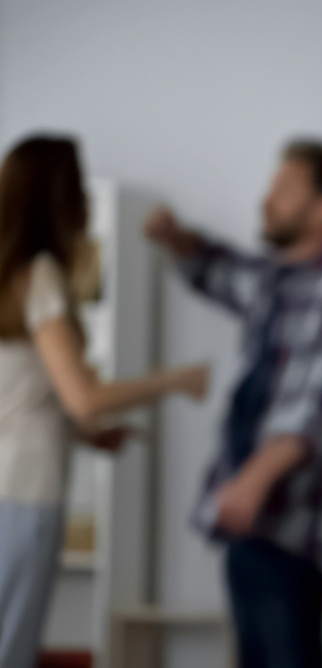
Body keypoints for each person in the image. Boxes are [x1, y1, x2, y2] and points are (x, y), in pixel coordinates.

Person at [145, 139, 322, 668]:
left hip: (286, 523)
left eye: (283, 190)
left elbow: (317, 409)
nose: (266, 201)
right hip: (244, 518)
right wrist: (174, 237)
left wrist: (252, 481)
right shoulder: (277, 284)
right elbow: (217, 268)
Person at [0, 135, 209, 668]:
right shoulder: (40, 276)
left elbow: (25, 393)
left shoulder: (6, 278)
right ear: (60, 195)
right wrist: (172, 380)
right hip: (24, 491)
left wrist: (82, 432)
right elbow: (85, 396)